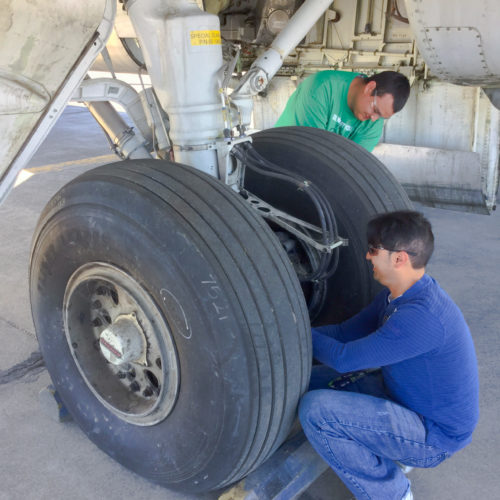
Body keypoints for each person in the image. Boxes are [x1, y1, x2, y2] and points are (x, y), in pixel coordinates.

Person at [299, 211, 479, 500]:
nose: (368, 256)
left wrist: (293, 329)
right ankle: (388, 447)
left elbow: (344, 358)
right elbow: (345, 333)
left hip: (433, 436)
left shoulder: (421, 316)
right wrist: (295, 336)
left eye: (373, 249)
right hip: (405, 398)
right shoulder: (396, 295)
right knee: (305, 381)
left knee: (317, 411)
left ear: (399, 258)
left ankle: (391, 493)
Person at [274, 70, 410, 151]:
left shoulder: (374, 123)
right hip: (280, 156)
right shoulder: (321, 88)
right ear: (369, 88)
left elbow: (351, 166)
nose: (374, 119)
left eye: (381, 117)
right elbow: (309, 152)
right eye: (375, 110)